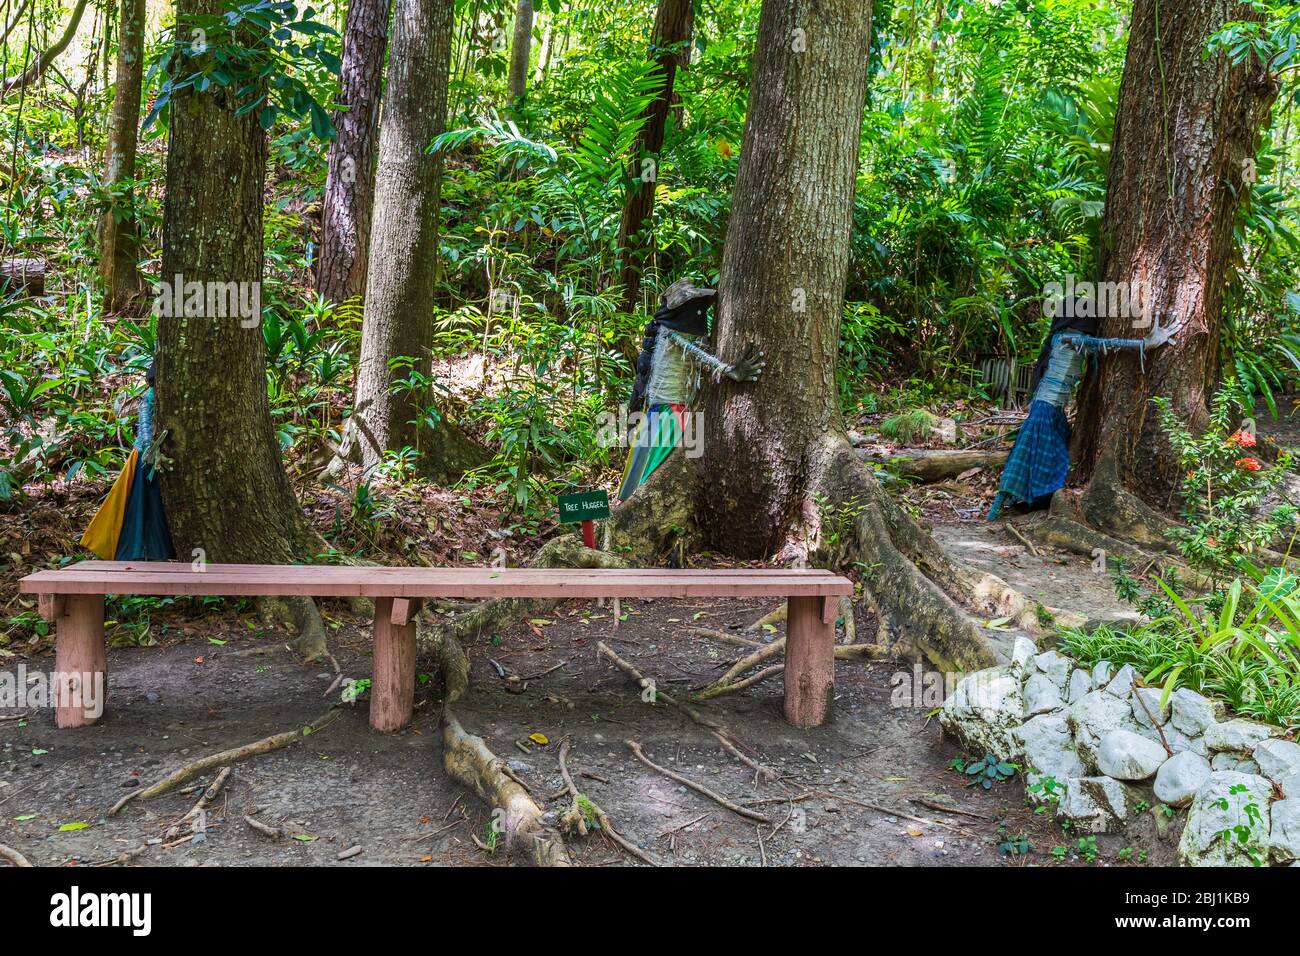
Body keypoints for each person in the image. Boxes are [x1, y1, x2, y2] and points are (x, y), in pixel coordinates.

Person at [986, 301, 1181, 521]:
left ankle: (1027, 502)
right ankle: (996, 512)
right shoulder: (1068, 340)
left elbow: (1101, 345)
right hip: (1045, 410)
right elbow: (1107, 343)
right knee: (1026, 457)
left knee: (1041, 456)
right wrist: (1145, 343)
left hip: (1053, 410)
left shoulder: (1069, 341)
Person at [618, 279, 764, 500]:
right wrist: (729, 370)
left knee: (653, 456)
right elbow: (696, 353)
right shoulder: (670, 334)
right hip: (670, 409)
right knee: (654, 463)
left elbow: (696, 352)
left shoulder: (671, 333)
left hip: (670, 408)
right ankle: (639, 501)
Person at [81, 360, 175, 560]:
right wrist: (152, 451)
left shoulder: (159, 396)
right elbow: (145, 428)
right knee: (142, 504)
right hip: (144, 459)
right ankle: (145, 552)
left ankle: (152, 551)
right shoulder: (150, 397)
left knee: (146, 505)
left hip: (146, 457)